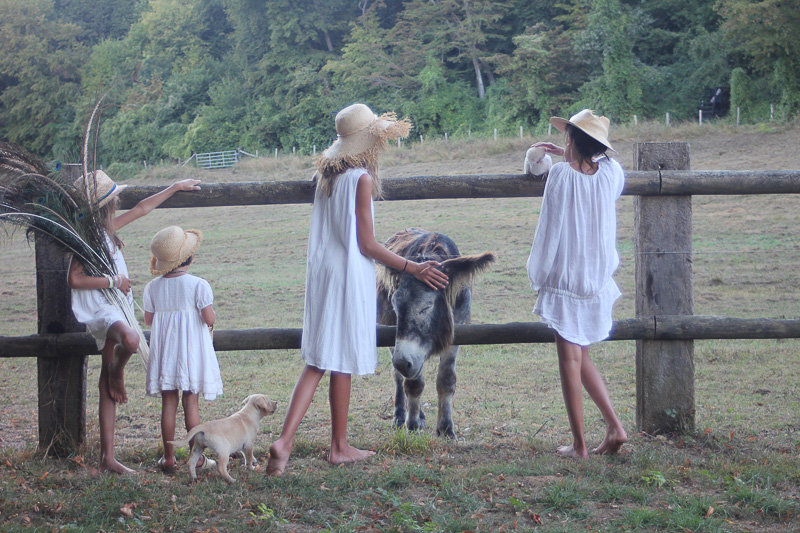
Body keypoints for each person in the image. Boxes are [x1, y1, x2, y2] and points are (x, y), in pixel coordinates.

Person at [266, 103, 449, 476]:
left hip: (323, 273)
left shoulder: (327, 176)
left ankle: (308, 443)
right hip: (348, 275)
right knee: (338, 359)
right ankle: (320, 445)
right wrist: (412, 267)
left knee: (321, 360)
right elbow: (367, 244)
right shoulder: (361, 179)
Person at [68, 171, 201, 474]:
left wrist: (174, 186)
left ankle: (107, 457)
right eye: (114, 198)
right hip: (103, 307)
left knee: (106, 380)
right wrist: (113, 281)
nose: (118, 201)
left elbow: (142, 208)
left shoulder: (106, 229)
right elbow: (74, 279)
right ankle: (117, 372)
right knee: (131, 340)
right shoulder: (84, 239)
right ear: (107, 205)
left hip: (119, 304)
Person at [526, 109, 628, 459]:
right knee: (581, 356)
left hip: (566, 278)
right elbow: (608, 167)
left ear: (569, 139)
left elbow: (549, 228)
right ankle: (614, 428)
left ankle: (580, 445)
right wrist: (570, 154)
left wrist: (539, 273)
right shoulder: (610, 174)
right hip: (596, 277)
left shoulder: (560, 175)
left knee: (569, 361)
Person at [143, 225, 223, 474]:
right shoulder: (199, 285)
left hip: (166, 352)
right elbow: (209, 318)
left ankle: (168, 458)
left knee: (169, 402)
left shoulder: (152, 287)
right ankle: (196, 459)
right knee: (191, 402)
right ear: (189, 257)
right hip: (190, 352)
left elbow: (149, 319)